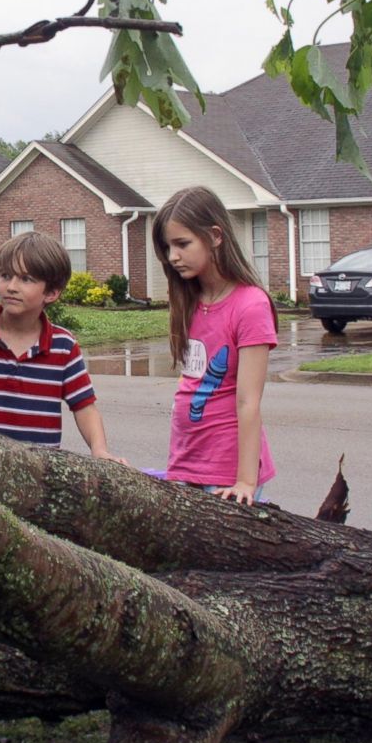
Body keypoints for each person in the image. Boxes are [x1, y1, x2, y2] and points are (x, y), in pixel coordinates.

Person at [0, 232, 120, 462]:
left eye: (26, 279)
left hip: (39, 475)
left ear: (51, 293)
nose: (11, 286)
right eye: (5, 275)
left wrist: (99, 450)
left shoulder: (64, 346)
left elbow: (85, 408)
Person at [152, 186, 278, 506]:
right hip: (185, 462)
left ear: (216, 236)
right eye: (168, 247)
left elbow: (249, 401)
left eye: (182, 244)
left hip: (228, 473)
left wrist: (245, 481)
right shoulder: (188, 300)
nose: (173, 256)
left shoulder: (250, 305)